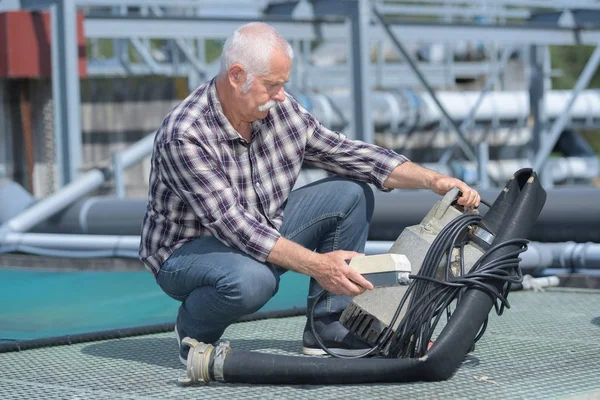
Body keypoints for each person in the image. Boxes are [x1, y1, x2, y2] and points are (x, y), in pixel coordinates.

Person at [139, 22, 480, 364]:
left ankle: (328, 326)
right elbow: (236, 227)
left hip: (258, 229)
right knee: (253, 280)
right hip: (185, 253)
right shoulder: (185, 135)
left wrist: (432, 180)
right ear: (236, 76)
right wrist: (320, 266)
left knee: (350, 194)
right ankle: (193, 331)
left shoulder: (277, 109)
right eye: (272, 85)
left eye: (283, 85)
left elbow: (346, 154)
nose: (281, 96)